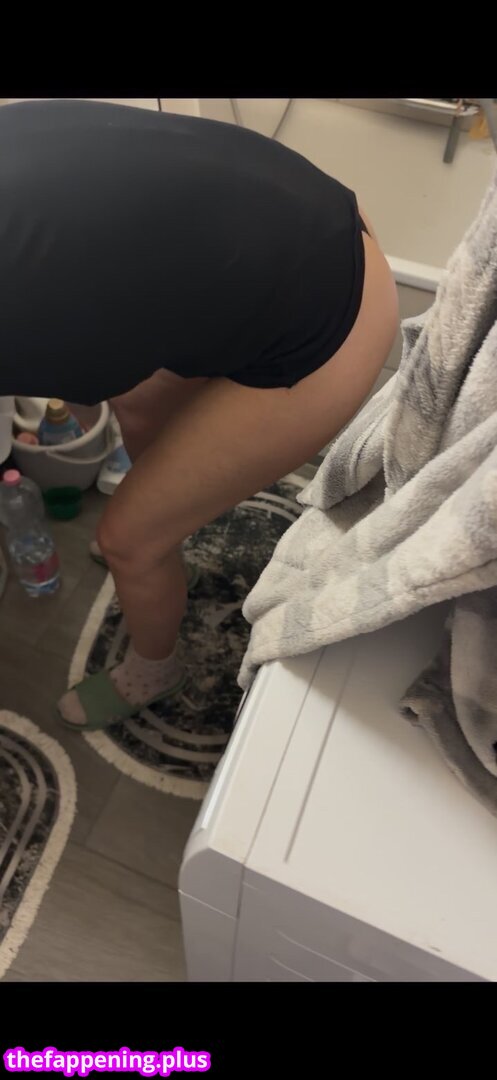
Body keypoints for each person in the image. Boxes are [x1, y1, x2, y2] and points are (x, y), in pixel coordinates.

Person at [0, 99, 398, 730]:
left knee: (128, 540)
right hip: (296, 207)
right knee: (139, 417)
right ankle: (165, 545)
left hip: (331, 318)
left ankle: (155, 668)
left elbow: (82, 385)